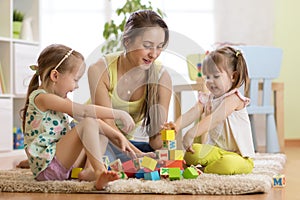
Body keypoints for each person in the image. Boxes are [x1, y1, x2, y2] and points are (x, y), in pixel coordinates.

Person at [20, 44, 137, 190]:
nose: (76, 86)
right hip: (48, 166)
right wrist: (118, 114)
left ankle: (89, 170)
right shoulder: (42, 98)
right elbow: (84, 112)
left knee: (98, 128)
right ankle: (99, 171)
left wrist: (117, 136)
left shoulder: (58, 99)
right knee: (88, 122)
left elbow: (93, 121)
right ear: (55, 75)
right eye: (75, 80)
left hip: (61, 161)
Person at [88, 10, 172, 160]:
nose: (154, 54)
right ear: (127, 41)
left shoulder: (161, 77)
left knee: (159, 158)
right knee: (110, 163)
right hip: (93, 136)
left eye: (159, 46)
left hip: (124, 143)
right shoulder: (100, 70)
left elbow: (155, 142)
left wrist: (168, 133)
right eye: (147, 45)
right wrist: (140, 156)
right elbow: (108, 127)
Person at [164, 46, 255, 175]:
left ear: (233, 76)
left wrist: (191, 133)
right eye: (207, 77)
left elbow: (215, 119)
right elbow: (192, 113)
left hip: (240, 157)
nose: (210, 81)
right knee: (191, 154)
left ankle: (204, 171)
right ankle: (206, 167)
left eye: (216, 76)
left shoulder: (234, 99)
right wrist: (176, 126)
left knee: (227, 164)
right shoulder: (208, 98)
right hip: (215, 151)